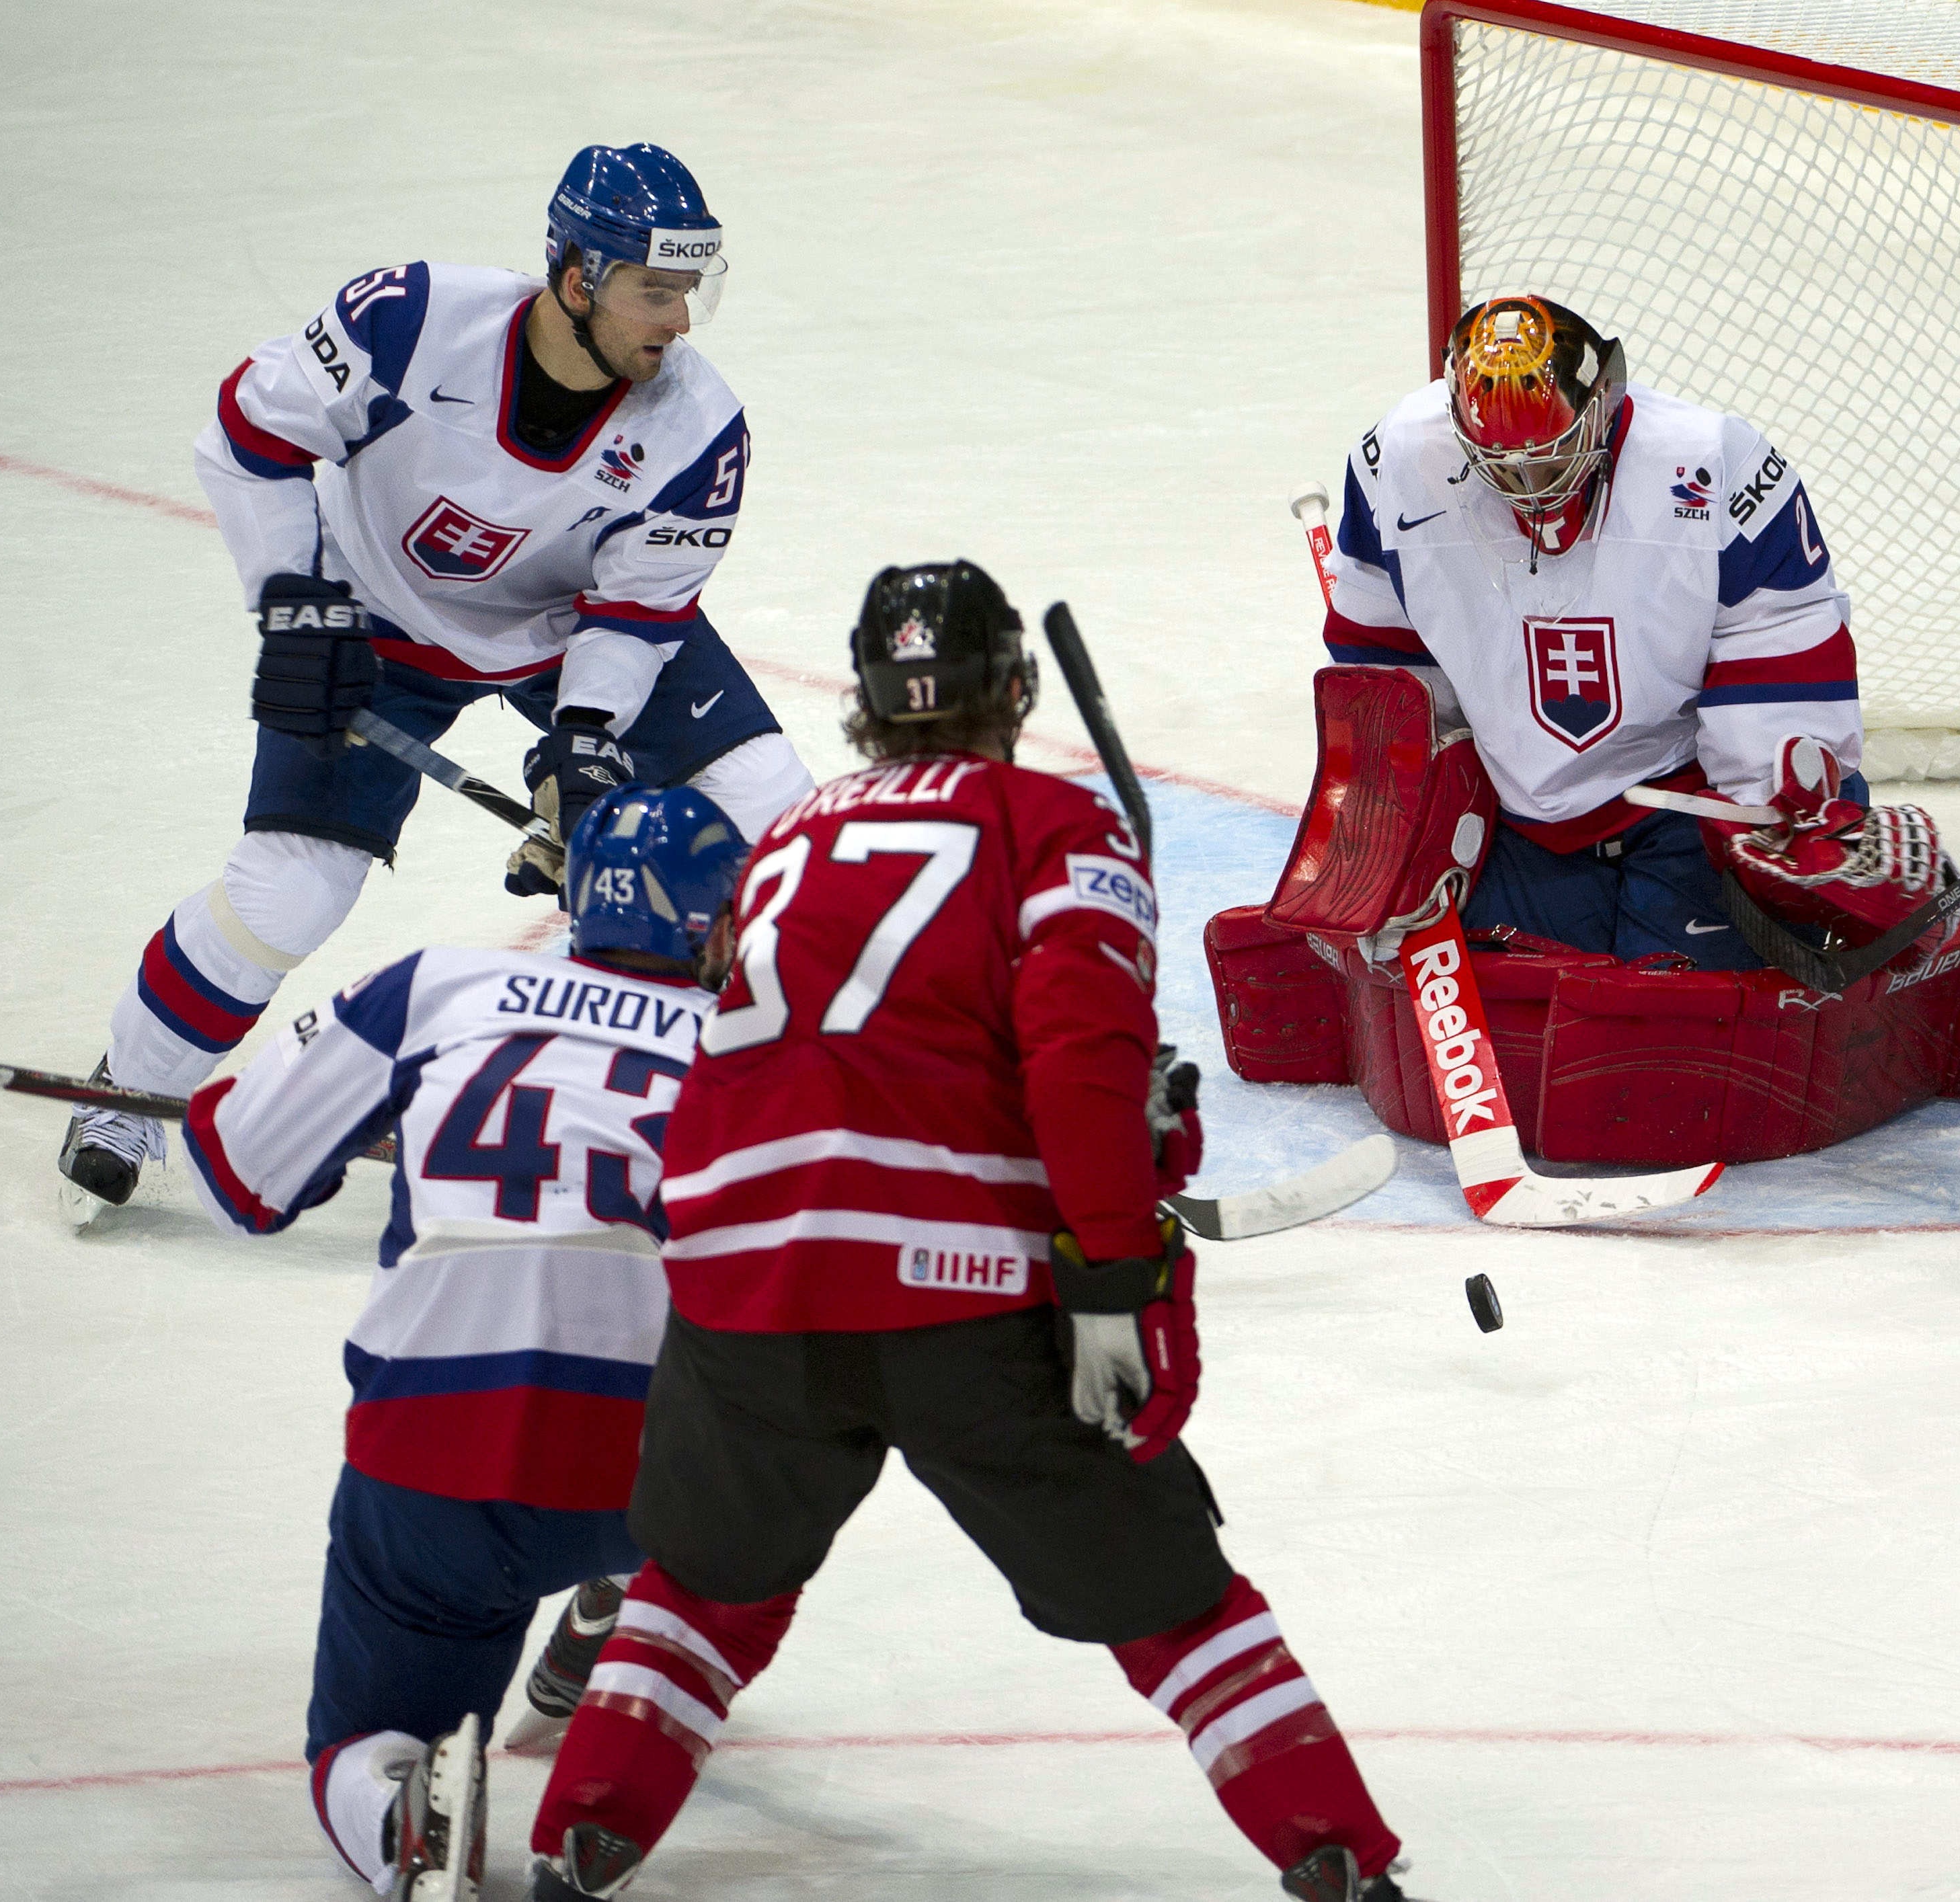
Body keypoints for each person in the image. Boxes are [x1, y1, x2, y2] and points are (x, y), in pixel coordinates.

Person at [519, 563, 1417, 1902]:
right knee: (1169, 1595)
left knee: (706, 1580)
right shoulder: (1056, 828)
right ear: (1014, 688)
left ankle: (576, 1841)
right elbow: (1075, 1053)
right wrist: (1110, 1266)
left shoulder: (785, 840)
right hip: (957, 1291)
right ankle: (1334, 1853)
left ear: (866, 705)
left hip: (740, 1283)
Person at [61, 142, 815, 1210]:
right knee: (289, 890)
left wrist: (588, 735)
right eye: (656, 291)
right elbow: (249, 432)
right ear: (577, 278)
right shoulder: (411, 322)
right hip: (375, 622)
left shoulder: (698, 428)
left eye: (691, 292)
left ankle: (824, 1108)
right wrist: (296, 603)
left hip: (571, 633)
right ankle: (127, 1095)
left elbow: (638, 608)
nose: (680, 323)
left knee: (782, 820)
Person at [180, 784, 749, 1899]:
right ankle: (631, 1613)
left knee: (362, 1737)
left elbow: (236, 1176)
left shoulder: (437, 984)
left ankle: (402, 1807)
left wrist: (262, 1121)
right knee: (753, 1436)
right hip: (650, 1474)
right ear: (715, 918)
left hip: (435, 1455)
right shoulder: (754, 1049)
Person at [1318, 292, 1949, 965]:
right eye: (1503, 466)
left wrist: (1775, 812)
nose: (1531, 486)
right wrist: (1403, 818)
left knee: (1694, 1027)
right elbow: (1384, 657)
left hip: (1688, 808)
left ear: (1602, 400)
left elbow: (1779, 632)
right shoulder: (1397, 461)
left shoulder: (1712, 462)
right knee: (1510, 1008)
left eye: (1552, 457)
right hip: (1516, 820)